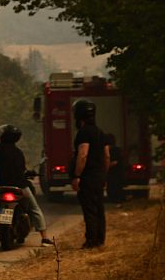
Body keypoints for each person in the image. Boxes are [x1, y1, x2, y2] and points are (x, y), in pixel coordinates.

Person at [0, 124, 54, 249]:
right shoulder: (18, 152)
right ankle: (44, 238)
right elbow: (22, 170)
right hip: (20, 187)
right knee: (34, 209)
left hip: (2, 187)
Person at [70, 99, 111, 249]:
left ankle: (91, 241)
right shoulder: (101, 132)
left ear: (78, 115)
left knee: (90, 210)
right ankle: (100, 239)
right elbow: (107, 156)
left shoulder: (83, 133)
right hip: (99, 176)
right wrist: (104, 174)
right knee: (99, 209)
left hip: (87, 177)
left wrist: (77, 176)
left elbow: (83, 155)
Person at [104, 133, 124, 205]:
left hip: (111, 171)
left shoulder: (106, 150)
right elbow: (120, 160)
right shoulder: (117, 149)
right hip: (118, 171)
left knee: (111, 184)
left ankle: (113, 198)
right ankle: (118, 198)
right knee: (117, 185)